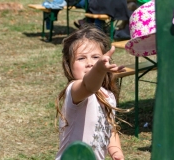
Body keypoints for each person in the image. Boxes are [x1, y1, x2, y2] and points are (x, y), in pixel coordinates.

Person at [55, 25, 130, 160]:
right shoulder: (74, 91)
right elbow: (89, 86)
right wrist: (99, 69)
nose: (90, 63)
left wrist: (116, 152)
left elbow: (110, 129)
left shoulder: (108, 96)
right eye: (81, 58)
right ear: (69, 65)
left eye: (95, 57)